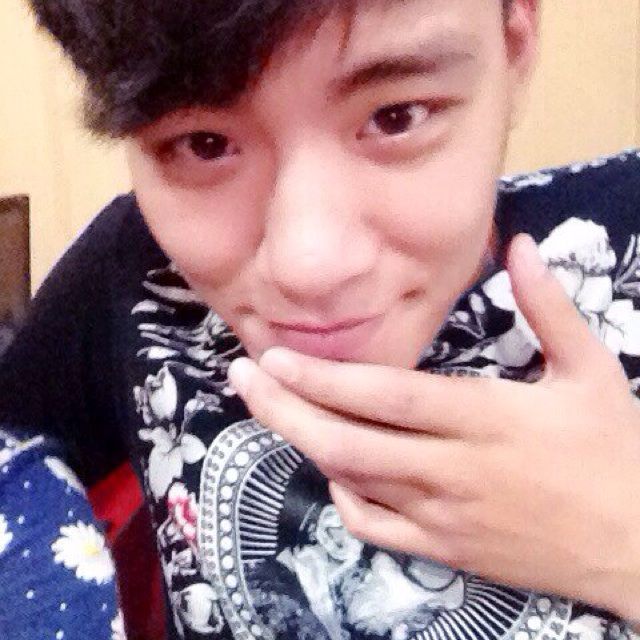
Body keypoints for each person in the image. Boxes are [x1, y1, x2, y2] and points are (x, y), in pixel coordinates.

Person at [2, 0, 640, 637]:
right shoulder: (136, 282)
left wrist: (622, 541)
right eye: (205, 145)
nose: (308, 266)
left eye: (395, 117)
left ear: (514, 43)